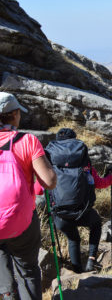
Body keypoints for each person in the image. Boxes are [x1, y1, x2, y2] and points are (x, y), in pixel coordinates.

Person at [0, 92, 57, 300]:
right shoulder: (27, 141)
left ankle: (7, 294)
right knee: (28, 271)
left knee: (3, 273)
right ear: (14, 114)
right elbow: (49, 181)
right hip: (20, 221)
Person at [46, 128, 112, 273]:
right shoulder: (85, 166)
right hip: (83, 211)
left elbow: (36, 189)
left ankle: (77, 271)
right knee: (96, 224)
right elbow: (100, 183)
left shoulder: (49, 168)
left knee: (73, 239)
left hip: (60, 216)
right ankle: (91, 260)